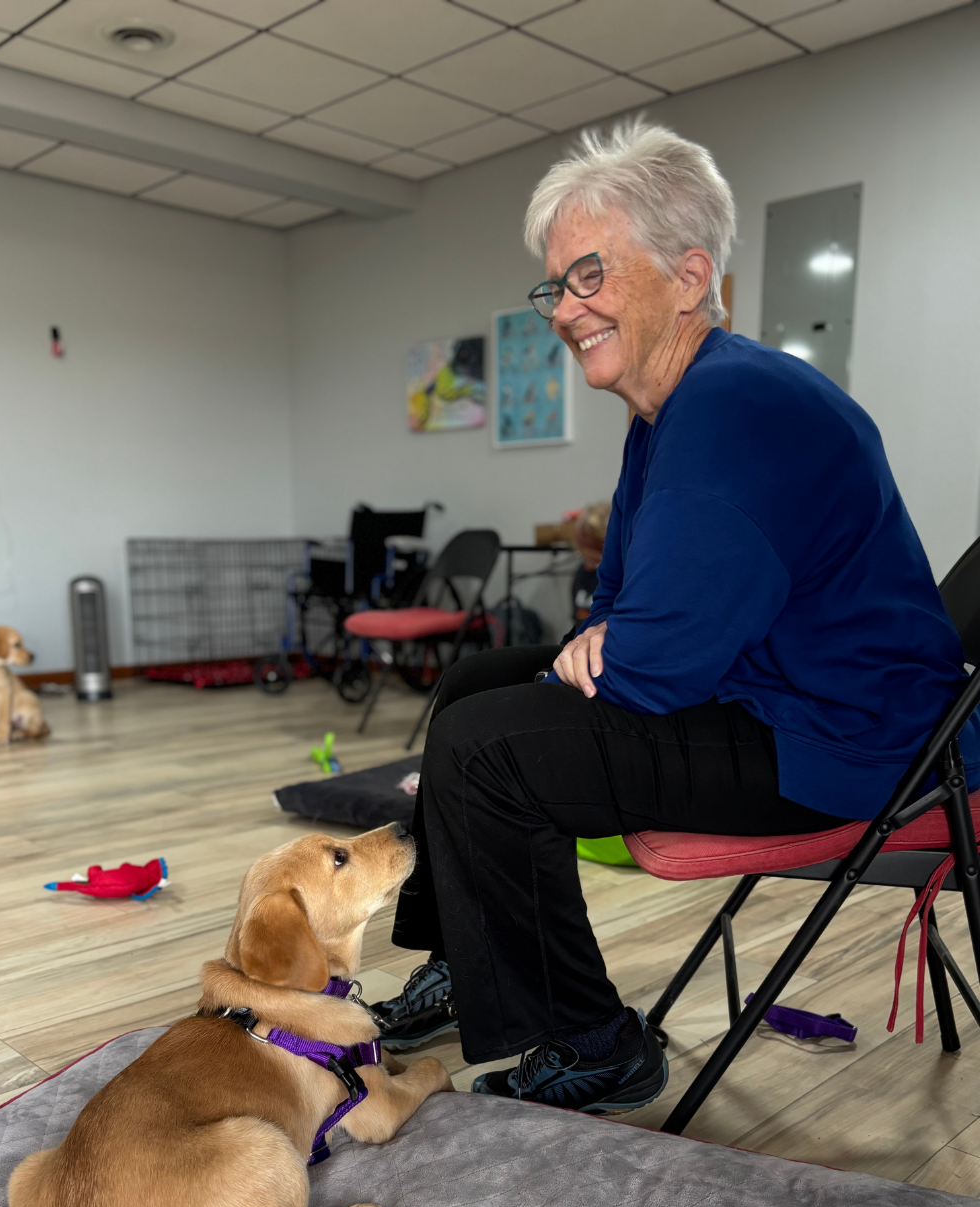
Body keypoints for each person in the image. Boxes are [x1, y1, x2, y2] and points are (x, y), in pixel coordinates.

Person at [369, 120, 980, 1116]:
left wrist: (616, 646)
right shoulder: (669, 411)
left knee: (488, 749)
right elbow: (622, 610)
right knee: (473, 685)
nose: (566, 310)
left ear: (689, 276)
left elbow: (658, 659)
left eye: (590, 277)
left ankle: (597, 1044)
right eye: (557, 285)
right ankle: (464, 960)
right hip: (772, 699)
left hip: (842, 740)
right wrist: (605, 644)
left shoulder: (734, 405)